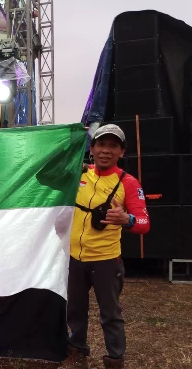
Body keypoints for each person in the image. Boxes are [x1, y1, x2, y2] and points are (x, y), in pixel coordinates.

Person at [63, 124, 150, 369]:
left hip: (106, 261)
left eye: (113, 146)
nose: (105, 151)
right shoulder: (79, 174)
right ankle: (77, 349)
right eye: (101, 145)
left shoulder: (129, 183)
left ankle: (114, 358)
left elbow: (144, 223)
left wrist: (127, 219)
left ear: (122, 152)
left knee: (110, 314)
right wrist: (70, 144)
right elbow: (44, 175)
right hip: (74, 258)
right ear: (91, 148)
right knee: (75, 310)